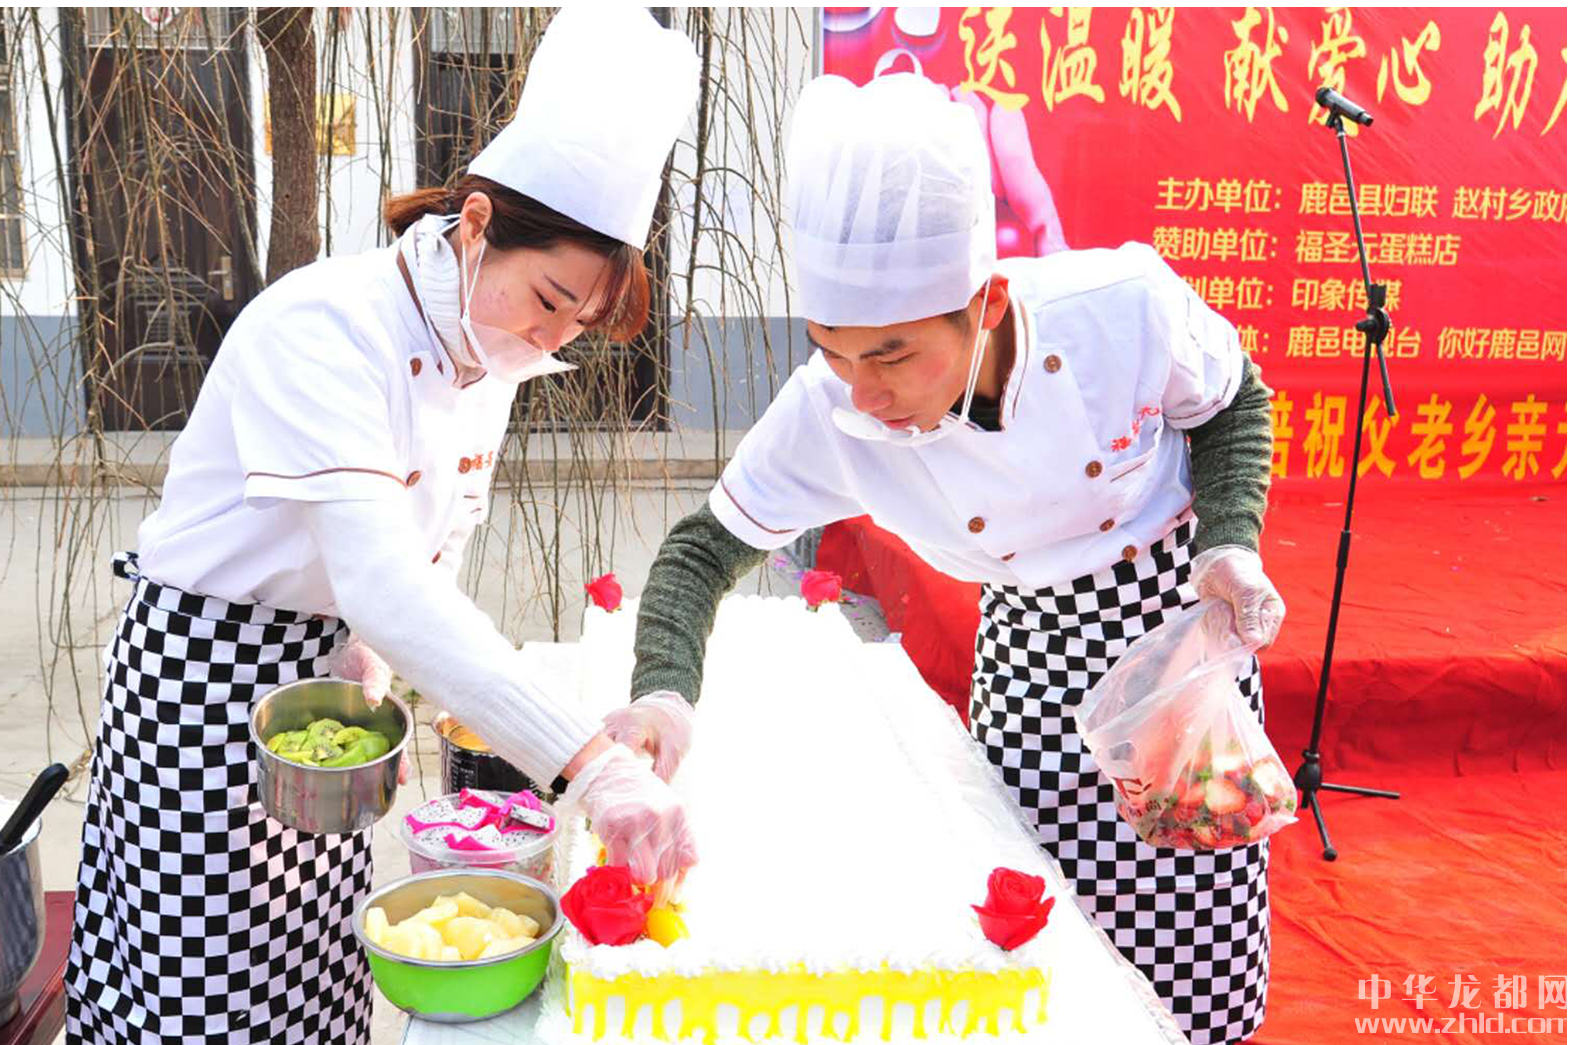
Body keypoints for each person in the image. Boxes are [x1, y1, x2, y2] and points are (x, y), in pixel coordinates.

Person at [63, 9, 699, 1044]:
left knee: (315, 970)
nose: (548, 337)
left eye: (575, 324)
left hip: (326, 688)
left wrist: (374, 664)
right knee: (201, 987)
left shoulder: (486, 352)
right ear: (478, 222)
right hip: (205, 682)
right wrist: (590, 763)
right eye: (546, 300)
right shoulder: (327, 325)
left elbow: (427, 558)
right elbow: (384, 581)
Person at [607, 74, 1285, 1045]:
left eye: (892, 355)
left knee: (1196, 933)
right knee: (1033, 947)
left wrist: (1227, 541)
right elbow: (699, 549)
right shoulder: (829, 409)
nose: (864, 393)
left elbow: (1232, 402)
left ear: (987, 301)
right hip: (1028, 657)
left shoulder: (1120, 309)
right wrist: (663, 694)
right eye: (834, 351)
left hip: (1175, 640)